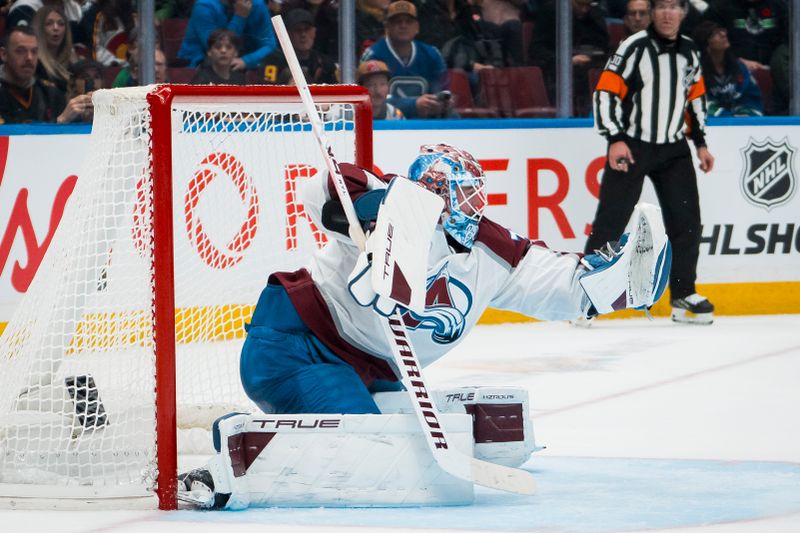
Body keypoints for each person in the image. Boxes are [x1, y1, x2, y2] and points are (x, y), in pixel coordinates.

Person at [176, 142, 669, 508]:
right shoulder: (384, 211)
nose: (472, 206)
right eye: (460, 194)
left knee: (406, 443)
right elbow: (324, 189)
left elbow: (556, 282)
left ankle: (298, 431)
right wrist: (375, 213)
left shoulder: (488, 249)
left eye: (476, 193)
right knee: (368, 451)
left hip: (372, 366)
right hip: (297, 346)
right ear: (429, 192)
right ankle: (228, 460)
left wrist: (611, 286)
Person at [589, 0, 715, 324]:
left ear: (684, 13)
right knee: (611, 220)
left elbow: (695, 98)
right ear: (652, 12)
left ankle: (683, 295)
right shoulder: (634, 47)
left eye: (675, 6)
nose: (668, 13)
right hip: (632, 144)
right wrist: (614, 137)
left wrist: (700, 143)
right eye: (662, 6)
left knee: (686, 222)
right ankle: (587, 295)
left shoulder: (689, 51)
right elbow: (605, 92)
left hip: (674, 148)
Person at [360, 0, 454, 119]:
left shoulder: (431, 54)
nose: (403, 25)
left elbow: (442, 89)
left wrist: (443, 103)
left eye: (408, 21)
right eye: (397, 21)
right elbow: (370, 97)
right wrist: (413, 105)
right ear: (387, 27)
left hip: (426, 124)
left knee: (453, 115)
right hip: (388, 122)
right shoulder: (374, 55)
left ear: (417, 27)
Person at [528, 0, 610, 117]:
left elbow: (604, 46)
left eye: (587, 5)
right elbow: (537, 50)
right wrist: (567, 60)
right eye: (579, 5)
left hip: (593, 66)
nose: (584, 10)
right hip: (558, 72)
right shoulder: (551, 12)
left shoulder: (595, 14)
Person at [0, 25, 88, 124]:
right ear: (4, 54)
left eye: (34, 51)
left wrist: (84, 116)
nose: (29, 57)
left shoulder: (50, 92)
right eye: (21, 51)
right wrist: (60, 121)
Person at [178, 0, 277, 71]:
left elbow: (270, 45)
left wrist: (246, 61)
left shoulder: (257, 4)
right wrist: (240, 17)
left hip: (245, 62)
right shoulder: (204, 6)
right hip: (201, 62)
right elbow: (218, 47)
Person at [692, 21, 763, 117]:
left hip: (739, 123)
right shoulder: (696, 72)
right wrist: (726, 116)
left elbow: (752, 96)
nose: (723, 34)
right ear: (706, 45)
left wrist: (746, 112)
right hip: (710, 125)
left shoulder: (739, 67)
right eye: (715, 34)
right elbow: (697, 103)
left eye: (721, 30)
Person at [705, 0, 788, 74]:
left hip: (775, 72)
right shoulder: (719, 7)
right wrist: (736, 61)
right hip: (733, 72)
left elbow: (790, 44)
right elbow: (705, 43)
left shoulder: (779, 6)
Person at [260, 8, 338, 84]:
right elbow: (266, 89)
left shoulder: (325, 63)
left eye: (307, 29)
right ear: (287, 34)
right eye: (298, 30)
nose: (303, 35)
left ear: (314, 32)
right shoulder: (273, 61)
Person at [32, 5, 77, 94]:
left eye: (61, 24)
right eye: (49, 23)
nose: (56, 28)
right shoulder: (35, 64)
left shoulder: (73, 63)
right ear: (39, 28)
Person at [79, 0, 135, 67]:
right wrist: (119, 63)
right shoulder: (93, 14)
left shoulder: (132, 11)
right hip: (105, 69)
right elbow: (95, 50)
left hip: (131, 68)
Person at [60, 58, 103, 123]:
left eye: (96, 77)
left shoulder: (108, 106)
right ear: (74, 82)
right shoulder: (62, 103)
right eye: (85, 77)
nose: (91, 81)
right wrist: (64, 118)